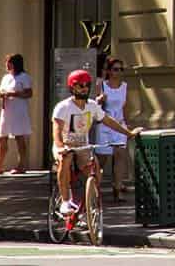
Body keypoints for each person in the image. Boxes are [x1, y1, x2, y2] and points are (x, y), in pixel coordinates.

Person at [52, 68, 137, 229]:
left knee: (95, 171)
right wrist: (60, 146)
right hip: (64, 144)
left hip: (83, 145)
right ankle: (65, 201)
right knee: (66, 159)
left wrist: (128, 133)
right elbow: (56, 129)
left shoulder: (92, 106)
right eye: (79, 86)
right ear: (72, 88)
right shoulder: (63, 107)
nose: (84, 88)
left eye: (86, 85)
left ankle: (86, 211)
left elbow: (108, 121)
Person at [0, 54, 32, 175]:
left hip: (19, 110)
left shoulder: (24, 77)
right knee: (2, 137)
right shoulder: (6, 78)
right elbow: (1, 91)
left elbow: (28, 93)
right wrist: (2, 94)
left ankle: (22, 165)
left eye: (9, 63)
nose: (7, 65)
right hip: (7, 110)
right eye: (6, 62)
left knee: (19, 137)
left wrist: (14, 94)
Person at [95, 56, 132, 200]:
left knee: (120, 155)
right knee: (102, 159)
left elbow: (126, 106)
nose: (119, 72)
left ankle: (118, 188)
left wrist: (127, 123)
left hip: (119, 124)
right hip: (105, 124)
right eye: (116, 69)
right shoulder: (102, 85)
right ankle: (95, 188)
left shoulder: (124, 86)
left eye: (121, 69)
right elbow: (95, 107)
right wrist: (99, 100)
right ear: (109, 71)